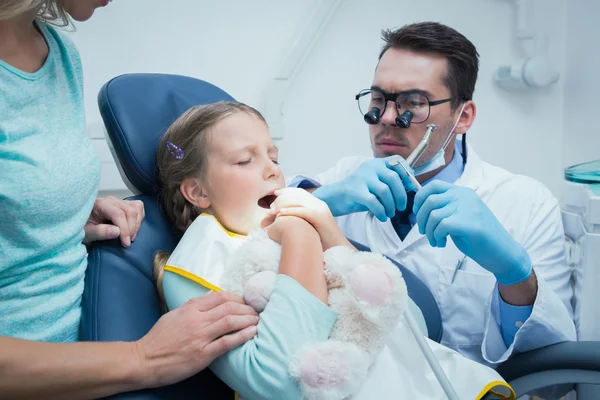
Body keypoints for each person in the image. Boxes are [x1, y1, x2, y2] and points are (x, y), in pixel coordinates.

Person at [152, 101, 516, 400]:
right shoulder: (201, 260)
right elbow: (280, 381)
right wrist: (300, 236)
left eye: (274, 157)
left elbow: (411, 334)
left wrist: (330, 233)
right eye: (245, 161)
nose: (272, 172)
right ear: (197, 192)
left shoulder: (289, 234)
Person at [0, 1, 257, 398]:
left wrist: (57, 215)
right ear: (196, 190)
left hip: (94, 355)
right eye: (245, 160)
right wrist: (145, 358)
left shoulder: (56, 52)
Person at [292, 21, 577, 366]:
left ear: (463, 116)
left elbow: (553, 374)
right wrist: (323, 201)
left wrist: (513, 272)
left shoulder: (526, 204)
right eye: (379, 99)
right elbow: (247, 231)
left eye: (414, 102)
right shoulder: (342, 178)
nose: (387, 117)